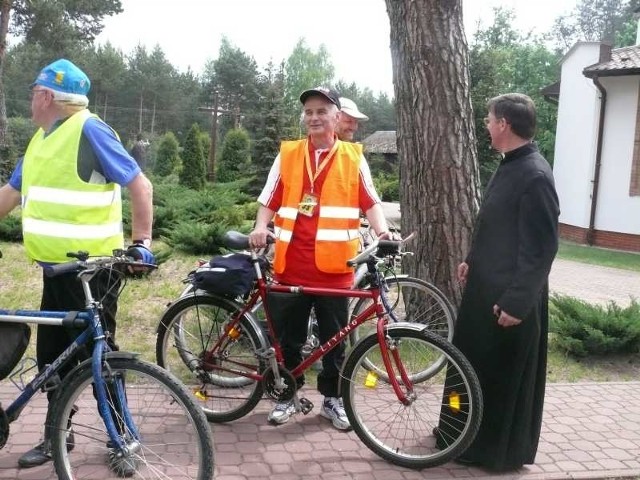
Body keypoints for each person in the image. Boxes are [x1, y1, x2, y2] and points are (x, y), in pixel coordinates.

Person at [0, 59, 154, 474]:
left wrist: (141, 243)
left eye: (34, 91)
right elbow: (10, 194)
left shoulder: (90, 129)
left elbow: (140, 184)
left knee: (101, 358)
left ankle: (124, 440)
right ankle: (57, 434)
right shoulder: (40, 140)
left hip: (93, 274)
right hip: (55, 272)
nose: (30, 98)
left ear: (47, 96)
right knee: (53, 357)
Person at [248, 87, 391, 430]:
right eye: (309, 112)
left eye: (321, 111)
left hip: (335, 269)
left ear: (337, 117)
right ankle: (288, 397)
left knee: (335, 342)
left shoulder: (353, 157)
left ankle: (332, 399)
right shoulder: (289, 154)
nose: (314, 117)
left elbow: (370, 202)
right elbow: (269, 197)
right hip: (292, 264)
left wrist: (383, 232)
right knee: (289, 339)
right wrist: (260, 226)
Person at [436, 93, 559, 471]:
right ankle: (457, 433)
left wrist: (516, 304)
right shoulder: (508, 165)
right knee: (467, 371)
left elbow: (541, 249)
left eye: (490, 119)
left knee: (499, 380)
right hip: (482, 293)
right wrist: (472, 260)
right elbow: (495, 225)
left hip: (507, 302)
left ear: (504, 123)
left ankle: (492, 451)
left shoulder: (535, 175)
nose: (486, 126)